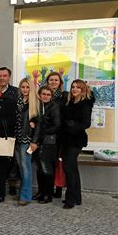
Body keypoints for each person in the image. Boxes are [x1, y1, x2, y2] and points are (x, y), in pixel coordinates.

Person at [61, 79, 94, 209]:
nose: (74, 89)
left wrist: (72, 126)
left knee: (68, 168)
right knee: (72, 168)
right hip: (66, 139)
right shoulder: (69, 102)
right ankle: (77, 197)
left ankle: (70, 199)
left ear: (83, 89)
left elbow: (86, 123)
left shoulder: (85, 104)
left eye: (78, 87)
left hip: (76, 139)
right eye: (73, 87)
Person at [14, 78, 39, 206]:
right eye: (23, 87)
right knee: (21, 168)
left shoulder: (35, 103)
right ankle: (22, 193)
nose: (25, 89)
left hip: (27, 140)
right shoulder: (18, 101)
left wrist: (34, 141)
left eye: (27, 87)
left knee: (26, 168)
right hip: (16, 139)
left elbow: (39, 125)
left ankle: (25, 196)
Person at [33, 85, 61, 204]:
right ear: (39, 95)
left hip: (49, 142)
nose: (45, 96)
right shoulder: (39, 106)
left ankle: (48, 194)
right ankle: (41, 191)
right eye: (43, 94)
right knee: (40, 168)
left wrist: (43, 131)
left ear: (51, 96)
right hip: (40, 141)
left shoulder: (53, 107)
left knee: (47, 169)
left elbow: (56, 125)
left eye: (48, 94)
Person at [0, 67, 20, 196]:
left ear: (9, 77)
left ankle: (12, 184)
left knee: (12, 159)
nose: (2, 78)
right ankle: (0, 185)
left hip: (11, 130)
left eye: (4, 76)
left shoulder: (16, 92)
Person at [46, 71, 68, 199]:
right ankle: (48, 189)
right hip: (47, 134)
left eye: (56, 80)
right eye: (51, 80)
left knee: (58, 162)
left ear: (60, 83)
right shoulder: (44, 95)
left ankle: (58, 188)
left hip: (60, 134)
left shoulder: (65, 96)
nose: (53, 82)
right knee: (48, 163)